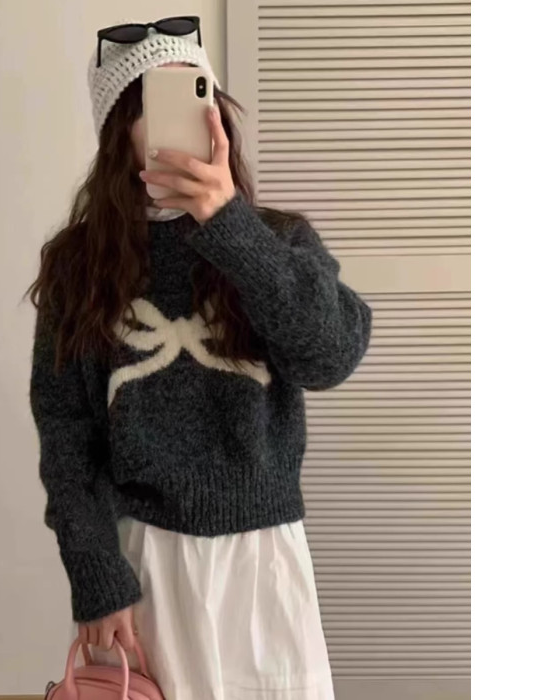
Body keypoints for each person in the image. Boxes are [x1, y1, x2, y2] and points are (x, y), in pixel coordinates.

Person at [27, 17, 372, 700]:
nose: (188, 122)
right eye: (154, 106)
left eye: (198, 97)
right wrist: (95, 573)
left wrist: (229, 225)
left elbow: (330, 356)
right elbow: (67, 435)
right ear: (119, 133)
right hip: (145, 560)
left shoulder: (277, 239)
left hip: (264, 558)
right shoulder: (79, 266)